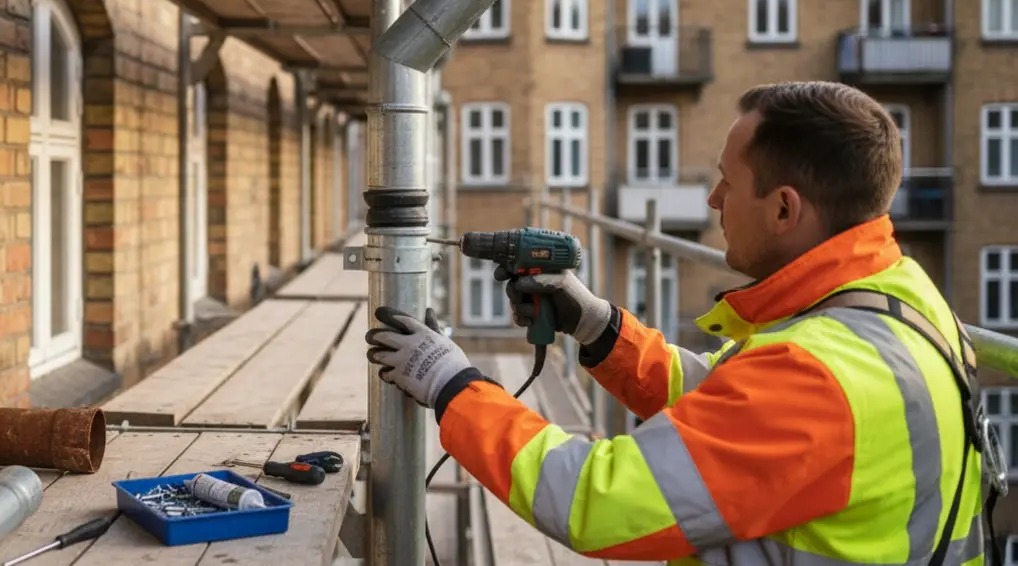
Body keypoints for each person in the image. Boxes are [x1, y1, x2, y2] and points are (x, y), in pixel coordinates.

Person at [365, 81, 1001, 565]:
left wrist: (453, 386)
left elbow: (597, 500)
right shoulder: (904, 298)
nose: (713, 200)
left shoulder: (813, 376)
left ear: (784, 209)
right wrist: (601, 330)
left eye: (727, 182)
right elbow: (736, 416)